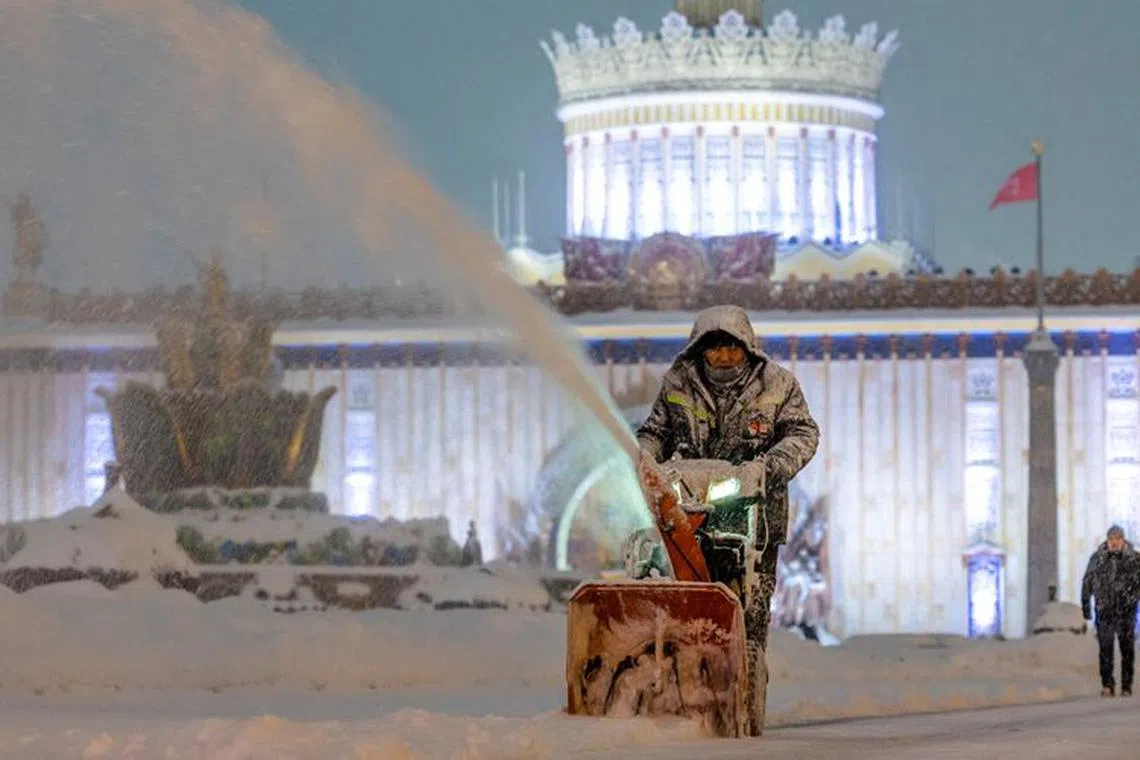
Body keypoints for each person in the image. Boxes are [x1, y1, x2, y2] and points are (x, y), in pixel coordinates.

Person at [637, 304, 820, 736]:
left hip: (753, 509)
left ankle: (747, 672)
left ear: (747, 349)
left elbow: (803, 434)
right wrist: (644, 455)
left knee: (750, 604)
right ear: (699, 350)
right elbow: (656, 430)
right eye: (714, 349)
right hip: (688, 507)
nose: (722, 357)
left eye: (730, 349)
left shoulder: (777, 386)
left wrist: (767, 468)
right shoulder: (679, 382)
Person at [1081, 524, 1140, 697]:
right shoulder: (1097, 558)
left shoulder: (1135, 560)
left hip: (1126, 610)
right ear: (1107, 540)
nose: (1114, 542)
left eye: (1117, 539)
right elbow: (1087, 582)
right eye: (1111, 539)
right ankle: (1107, 684)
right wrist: (1086, 606)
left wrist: (1132, 597)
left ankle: (1126, 685)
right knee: (1105, 649)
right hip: (1104, 610)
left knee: (1126, 649)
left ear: (1123, 540)